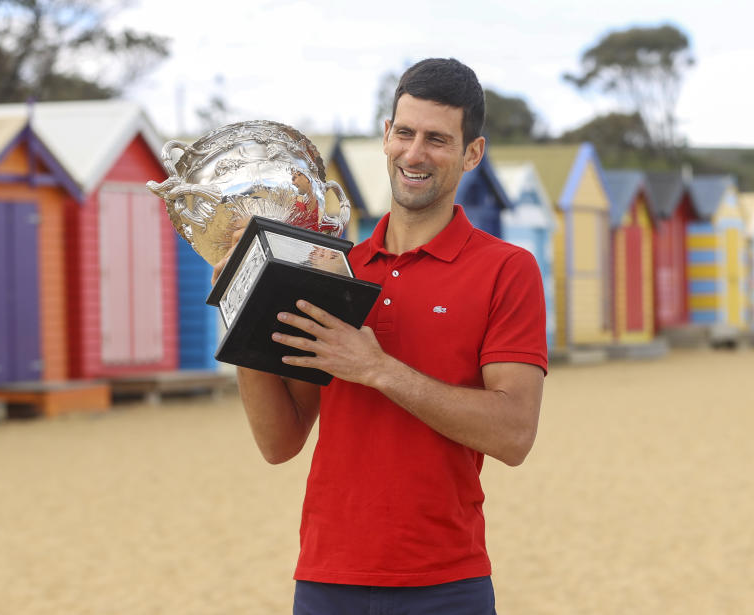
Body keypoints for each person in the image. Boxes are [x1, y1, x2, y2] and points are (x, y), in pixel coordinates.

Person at [214, 58, 547, 615]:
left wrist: (378, 369)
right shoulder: (332, 266)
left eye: (438, 139)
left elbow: (514, 434)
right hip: (326, 579)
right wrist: (243, 298)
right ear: (386, 136)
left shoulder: (506, 269)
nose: (416, 154)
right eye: (406, 133)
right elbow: (280, 443)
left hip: (446, 585)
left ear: (472, 153)